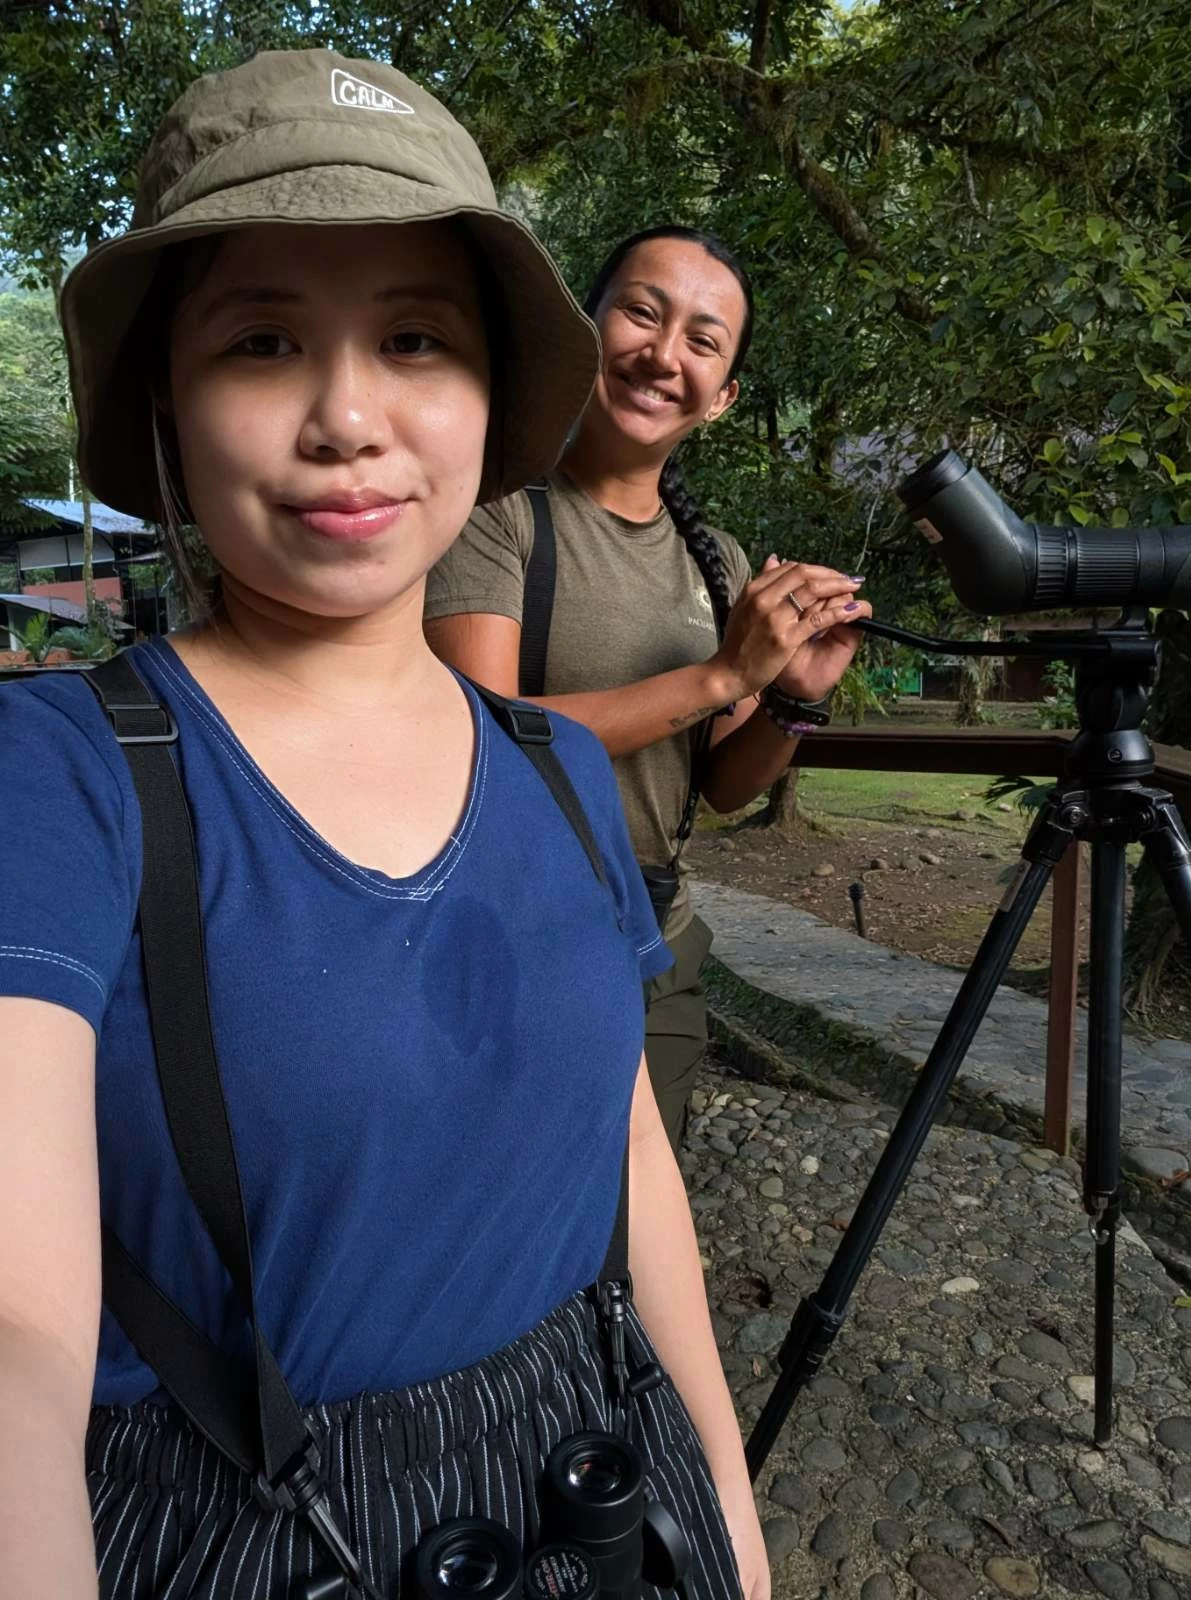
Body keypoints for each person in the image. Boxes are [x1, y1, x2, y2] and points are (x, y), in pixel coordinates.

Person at [0, 52, 769, 1600]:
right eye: (264, 340)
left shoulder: (555, 770)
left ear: (490, 395)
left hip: (600, 1488)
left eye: (416, 337)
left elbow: (635, 1178)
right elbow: (17, 1326)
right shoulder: (61, 774)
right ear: (167, 393)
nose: (348, 416)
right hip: (246, 1521)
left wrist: (738, 1549)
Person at [424, 226, 872, 1150]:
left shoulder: (719, 565)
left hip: (656, 941)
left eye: (703, 341)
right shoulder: (494, 510)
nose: (664, 355)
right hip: (501, 938)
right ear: (585, 333)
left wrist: (793, 697)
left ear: (723, 398)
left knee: (634, 1230)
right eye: (640, 312)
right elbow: (480, 739)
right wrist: (720, 673)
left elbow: (720, 785)